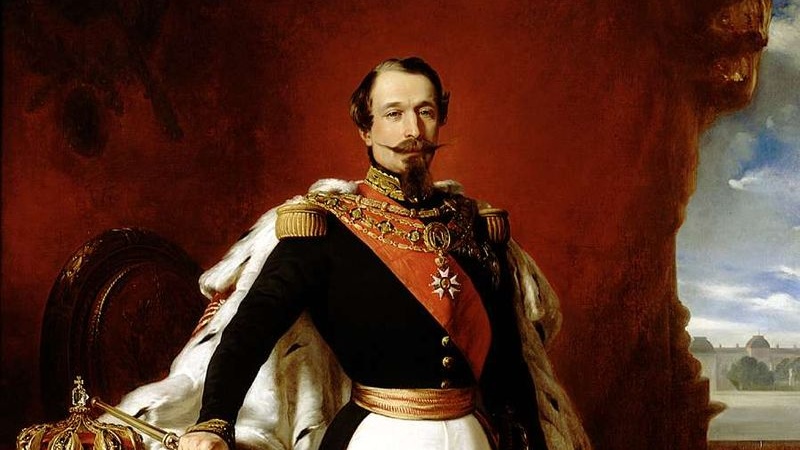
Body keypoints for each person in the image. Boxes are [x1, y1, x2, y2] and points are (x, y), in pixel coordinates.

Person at [114, 57, 590, 450]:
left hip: (473, 438)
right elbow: (248, 331)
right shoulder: (325, 228)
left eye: (425, 111)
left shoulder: (476, 227)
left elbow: (507, 369)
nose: (413, 129)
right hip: (375, 436)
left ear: (440, 119)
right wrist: (215, 421)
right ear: (366, 128)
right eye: (394, 114)